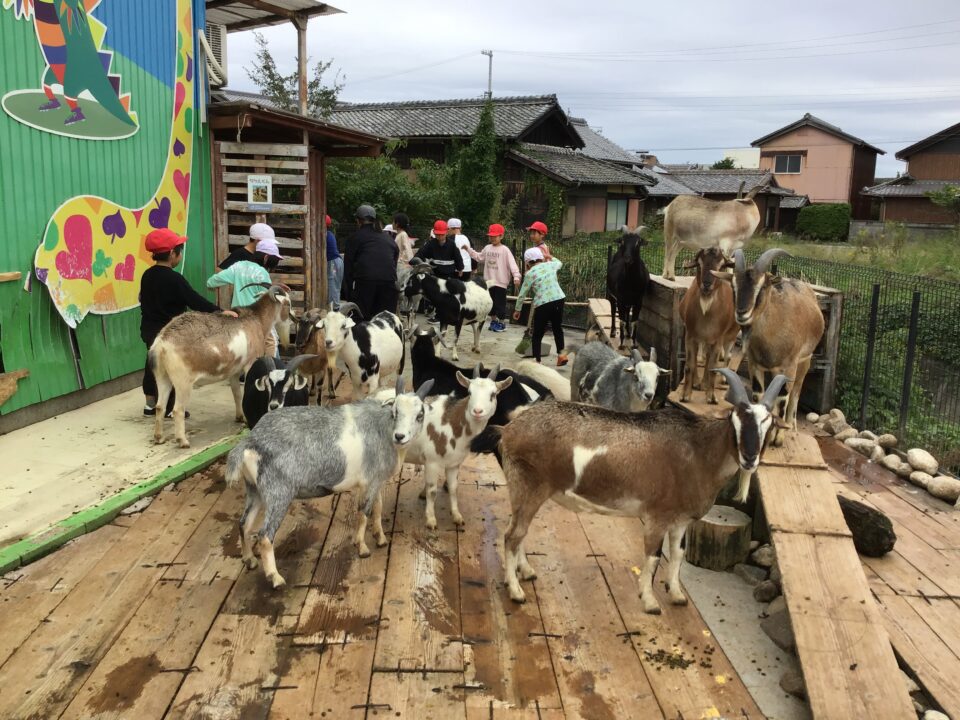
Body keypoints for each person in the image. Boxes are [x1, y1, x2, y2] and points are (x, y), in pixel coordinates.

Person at [140, 228, 236, 417]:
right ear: (172, 254)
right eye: (180, 252)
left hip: (149, 329)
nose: (180, 255)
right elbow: (194, 300)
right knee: (172, 368)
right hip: (171, 332)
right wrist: (219, 312)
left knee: (152, 363)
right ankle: (170, 408)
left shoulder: (147, 275)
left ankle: (150, 404)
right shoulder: (175, 279)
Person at [206, 230, 285, 357]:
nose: (274, 265)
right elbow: (267, 301)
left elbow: (211, 282)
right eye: (274, 261)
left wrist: (212, 287)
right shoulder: (263, 273)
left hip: (237, 318)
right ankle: (272, 367)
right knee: (272, 343)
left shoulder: (238, 266)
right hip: (256, 319)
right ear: (266, 258)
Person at [342, 203, 399, 318]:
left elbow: (348, 269)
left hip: (366, 284)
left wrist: (349, 296)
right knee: (385, 322)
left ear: (358, 221)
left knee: (362, 320)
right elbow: (394, 258)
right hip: (389, 284)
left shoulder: (355, 238)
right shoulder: (387, 238)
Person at [513, 246, 567, 366]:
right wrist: (550, 256)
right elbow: (559, 263)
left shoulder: (529, 274)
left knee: (538, 332)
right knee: (557, 328)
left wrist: (517, 309)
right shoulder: (550, 265)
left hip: (543, 303)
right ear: (541, 258)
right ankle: (562, 355)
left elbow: (522, 294)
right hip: (559, 299)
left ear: (527, 263)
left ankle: (537, 360)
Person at [468, 223, 520, 332]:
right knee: (490, 303)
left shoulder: (505, 250)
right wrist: (469, 250)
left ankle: (501, 323)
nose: (492, 238)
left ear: (501, 236)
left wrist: (516, 276)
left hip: (501, 282)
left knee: (500, 304)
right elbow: (479, 257)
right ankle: (493, 321)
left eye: (495, 236)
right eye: (491, 236)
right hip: (489, 282)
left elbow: (512, 264)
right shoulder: (487, 248)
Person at [325, 215, 343, 308]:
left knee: (332, 285)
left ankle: (335, 309)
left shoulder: (325, 235)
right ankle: (335, 307)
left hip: (333, 263)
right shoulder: (330, 234)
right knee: (336, 286)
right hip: (338, 261)